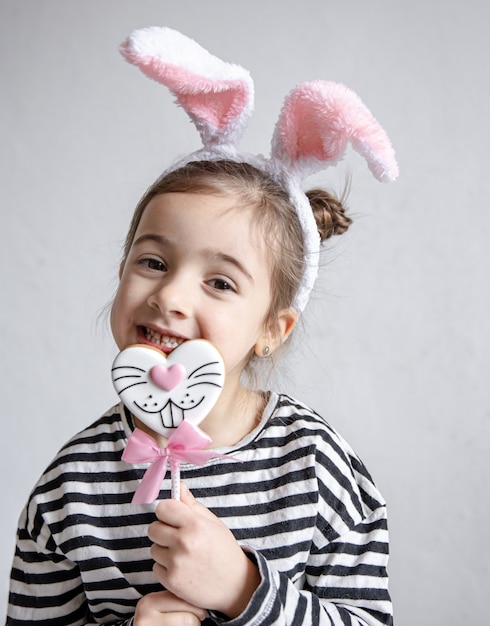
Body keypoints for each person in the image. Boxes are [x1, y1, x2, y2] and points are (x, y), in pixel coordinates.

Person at [6, 27, 398, 626]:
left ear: (274, 327)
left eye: (219, 282)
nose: (169, 295)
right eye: (154, 262)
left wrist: (244, 589)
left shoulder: (320, 471)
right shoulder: (69, 488)